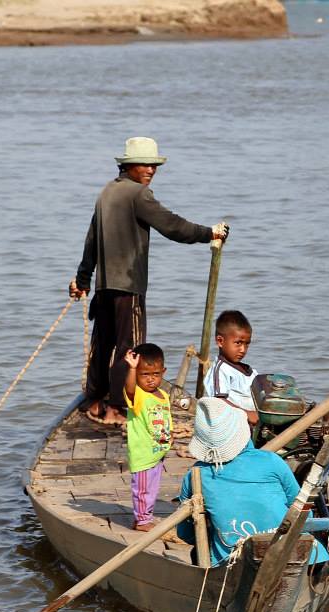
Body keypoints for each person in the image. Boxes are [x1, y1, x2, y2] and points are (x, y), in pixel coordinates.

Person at [69, 136, 229, 427]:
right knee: (129, 348)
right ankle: (116, 408)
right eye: (144, 165)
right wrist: (210, 233)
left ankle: (95, 402)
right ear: (128, 166)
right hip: (128, 286)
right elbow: (172, 226)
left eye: (154, 165)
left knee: (103, 344)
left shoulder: (107, 193)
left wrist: (83, 279)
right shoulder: (138, 195)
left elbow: (91, 241)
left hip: (105, 289)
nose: (151, 170)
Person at [177, 397, 329, 566]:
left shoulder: (196, 475)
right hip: (296, 557)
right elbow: (303, 512)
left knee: (198, 551)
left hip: (232, 564)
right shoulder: (272, 461)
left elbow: (185, 533)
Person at [123, 343, 173, 531]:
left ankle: (141, 517)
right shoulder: (139, 395)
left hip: (157, 452)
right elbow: (129, 389)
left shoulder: (162, 395)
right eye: (144, 375)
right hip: (143, 453)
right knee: (143, 489)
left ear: (163, 371)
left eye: (156, 374)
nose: (151, 380)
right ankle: (143, 521)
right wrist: (132, 368)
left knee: (152, 489)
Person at [205, 309, 259, 426]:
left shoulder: (249, 371)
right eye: (238, 343)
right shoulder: (221, 370)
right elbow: (218, 403)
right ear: (220, 341)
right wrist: (247, 414)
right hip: (232, 427)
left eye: (247, 344)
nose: (243, 350)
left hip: (254, 422)